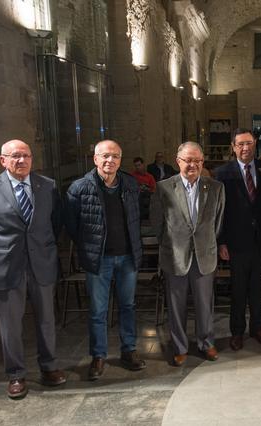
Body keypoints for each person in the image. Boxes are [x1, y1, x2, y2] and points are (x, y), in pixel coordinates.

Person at [0, 140, 66, 399]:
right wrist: (1, 251)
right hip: (6, 267)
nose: (21, 160)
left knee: (46, 320)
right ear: (3, 160)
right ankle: (16, 374)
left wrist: (40, 248)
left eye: (26, 155)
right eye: (15, 156)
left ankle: (49, 367)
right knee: (10, 325)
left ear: (32, 159)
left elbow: (55, 222)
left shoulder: (47, 186)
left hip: (41, 264)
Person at [66, 140, 146, 380]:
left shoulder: (131, 184)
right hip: (99, 260)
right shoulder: (79, 188)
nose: (110, 160)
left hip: (127, 257)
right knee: (98, 310)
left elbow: (136, 217)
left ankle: (128, 350)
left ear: (120, 160)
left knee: (128, 306)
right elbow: (71, 226)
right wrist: (89, 248)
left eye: (115, 156)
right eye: (105, 156)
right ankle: (98, 356)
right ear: (95, 159)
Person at [150, 142, 225, 366]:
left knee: (205, 304)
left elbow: (218, 222)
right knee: (176, 306)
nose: (193, 165)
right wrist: (170, 244)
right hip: (175, 256)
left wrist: (206, 243)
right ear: (178, 161)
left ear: (203, 162)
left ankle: (206, 343)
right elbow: (157, 222)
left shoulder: (216, 187)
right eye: (188, 160)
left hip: (204, 256)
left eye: (197, 161)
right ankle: (179, 347)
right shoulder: (163, 187)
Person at [216, 129, 261, 351]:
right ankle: (237, 331)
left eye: (249, 143)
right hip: (235, 242)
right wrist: (221, 241)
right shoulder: (222, 173)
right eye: (240, 144)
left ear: (255, 144)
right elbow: (219, 211)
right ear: (233, 147)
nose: (245, 148)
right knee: (238, 290)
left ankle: (257, 328)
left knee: (258, 288)